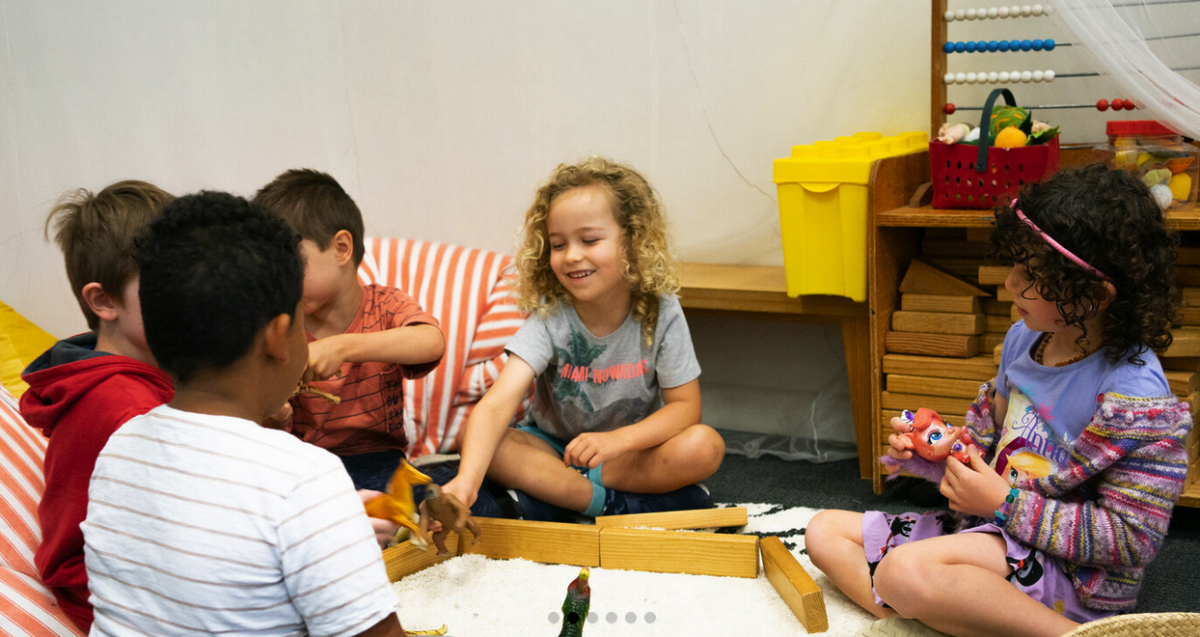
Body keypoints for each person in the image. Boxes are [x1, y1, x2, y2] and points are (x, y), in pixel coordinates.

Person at [807, 164, 1193, 637]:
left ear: (1093, 295)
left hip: (1064, 569)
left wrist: (1005, 505)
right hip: (989, 532)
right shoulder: (1023, 340)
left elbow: (1131, 539)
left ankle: (1069, 634)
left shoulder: (1136, 398)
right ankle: (943, 611)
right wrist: (936, 453)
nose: (1010, 282)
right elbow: (989, 456)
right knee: (823, 531)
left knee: (900, 572)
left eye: (1030, 274)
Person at [83, 191, 405, 636]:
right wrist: (324, 521)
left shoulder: (117, 451)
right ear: (278, 337)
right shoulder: (305, 480)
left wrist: (332, 529)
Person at [440, 157, 724, 521]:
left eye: (589, 240)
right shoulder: (550, 317)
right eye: (558, 245)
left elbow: (685, 408)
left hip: (625, 455)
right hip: (553, 451)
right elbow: (497, 404)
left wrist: (617, 441)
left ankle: (558, 498)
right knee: (470, 437)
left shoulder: (661, 310)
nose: (572, 256)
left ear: (633, 241)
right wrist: (467, 481)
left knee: (704, 446)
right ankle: (607, 503)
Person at [19, 181, 175, 633]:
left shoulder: (141, 374)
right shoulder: (122, 406)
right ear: (104, 301)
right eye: (168, 282)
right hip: (117, 604)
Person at [253, 169, 445, 492]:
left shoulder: (385, 306)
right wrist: (275, 417)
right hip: (307, 466)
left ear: (341, 248)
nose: (279, 282)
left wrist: (341, 347)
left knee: (452, 499)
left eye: (291, 265)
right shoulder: (280, 324)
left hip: (379, 461)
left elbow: (431, 341)